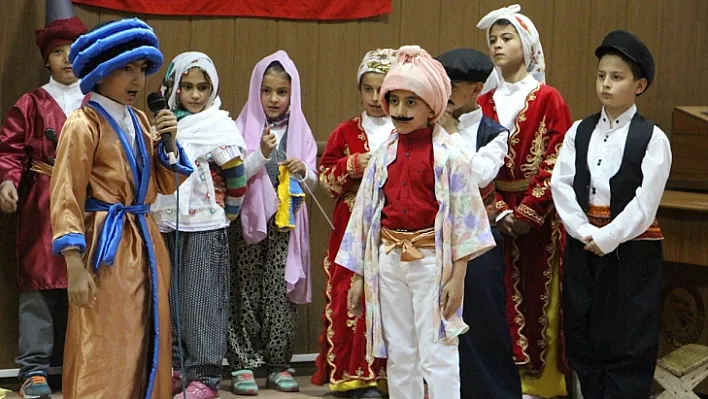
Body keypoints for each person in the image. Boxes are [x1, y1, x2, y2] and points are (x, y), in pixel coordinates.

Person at [337, 45, 496, 399]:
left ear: (432, 107)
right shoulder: (382, 156)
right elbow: (364, 217)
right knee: (400, 352)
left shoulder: (451, 156)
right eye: (394, 101)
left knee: (437, 351)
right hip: (389, 260)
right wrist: (360, 277)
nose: (400, 111)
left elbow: (466, 222)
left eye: (412, 102)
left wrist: (458, 276)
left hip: (431, 264)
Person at [49, 18, 193, 399]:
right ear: (99, 72)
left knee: (149, 338)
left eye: (141, 69)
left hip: (146, 244)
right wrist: (74, 265)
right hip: (105, 250)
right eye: (125, 68)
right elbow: (65, 194)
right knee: (108, 341)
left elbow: (163, 184)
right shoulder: (83, 124)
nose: (136, 80)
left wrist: (169, 145)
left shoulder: (142, 120)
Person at [551, 30, 670, 399]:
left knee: (628, 335)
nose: (605, 84)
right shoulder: (579, 132)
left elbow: (644, 202)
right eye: (601, 75)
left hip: (631, 252)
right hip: (583, 246)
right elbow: (561, 185)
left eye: (616, 77)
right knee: (584, 331)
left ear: (639, 85)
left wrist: (609, 236)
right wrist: (583, 230)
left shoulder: (652, 138)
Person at [477, 5, 573, 398]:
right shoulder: (483, 102)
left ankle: (539, 382)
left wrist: (528, 210)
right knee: (495, 297)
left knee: (539, 299)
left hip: (540, 217)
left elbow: (556, 157)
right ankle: (500, 380)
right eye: (493, 40)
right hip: (492, 215)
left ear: (527, 43)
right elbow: (474, 157)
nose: (499, 46)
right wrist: (498, 208)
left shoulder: (548, 98)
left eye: (507, 38)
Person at [0, 0, 86, 396]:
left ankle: (82, 364)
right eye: (57, 51)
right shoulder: (31, 103)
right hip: (41, 204)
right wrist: (8, 181)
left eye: (74, 49)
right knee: (38, 285)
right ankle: (33, 369)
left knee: (85, 285)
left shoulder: (97, 101)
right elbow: (10, 151)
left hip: (88, 205)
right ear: (46, 59)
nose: (67, 57)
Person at [151, 51, 248, 399]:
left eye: (202, 87)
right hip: (166, 223)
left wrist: (230, 215)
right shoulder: (163, 126)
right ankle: (177, 368)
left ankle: (205, 378)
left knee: (202, 300)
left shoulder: (217, 126)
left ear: (212, 89)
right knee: (171, 296)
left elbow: (236, 176)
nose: (194, 95)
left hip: (206, 226)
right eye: (186, 87)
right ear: (172, 88)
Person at [227, 50, 317, 396]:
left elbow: (314, 181)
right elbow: (235, 174)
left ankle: (278, 363)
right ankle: (243, 363)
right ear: (256, 91)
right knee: (245, 291)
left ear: (292, 94)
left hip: (285, 225)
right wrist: (261, 154)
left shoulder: (300, 130)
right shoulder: (240, 126)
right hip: (249, 222)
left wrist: (304, 171)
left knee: (280, 293)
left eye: (282, 92)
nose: (274, 99)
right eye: (267, 91)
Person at [436, 47, 522, 399]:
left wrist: (450, 133)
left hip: (478, 241)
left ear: (475, 89)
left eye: (451, 86)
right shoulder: (423, 126)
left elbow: (477, 174)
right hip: (433, 238)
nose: (443, 93)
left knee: (482, 321)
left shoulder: (494, 132)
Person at [313, 48, 395, 399]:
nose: (375, 98)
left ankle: (388, 376)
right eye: (368, 89)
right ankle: (351, 375)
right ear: (359, 91)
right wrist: (354, 164)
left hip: (394, 225)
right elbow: (327, 180)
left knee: (391, 297)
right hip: (351, 228)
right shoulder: (345, 132)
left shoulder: (405, 127)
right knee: (349, 296)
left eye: (382, 90)